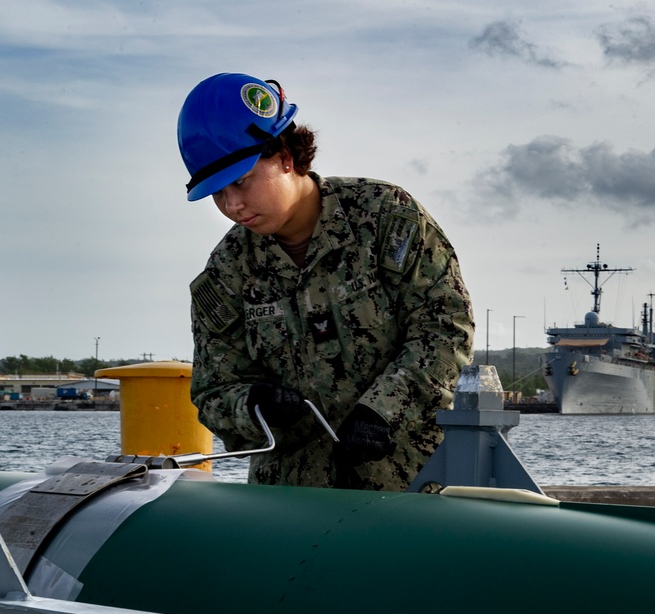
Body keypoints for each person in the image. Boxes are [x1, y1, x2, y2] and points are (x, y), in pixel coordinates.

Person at [178, 73, 474, 491]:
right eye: (217, 194)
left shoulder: (384, 217)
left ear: (283, 155)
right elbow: (213, 391)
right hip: (291, 504)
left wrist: (382, 410)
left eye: (240, 182)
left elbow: (445, 328)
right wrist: (254, 406)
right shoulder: (228, 271)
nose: (232, 205)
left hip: (411, 486)